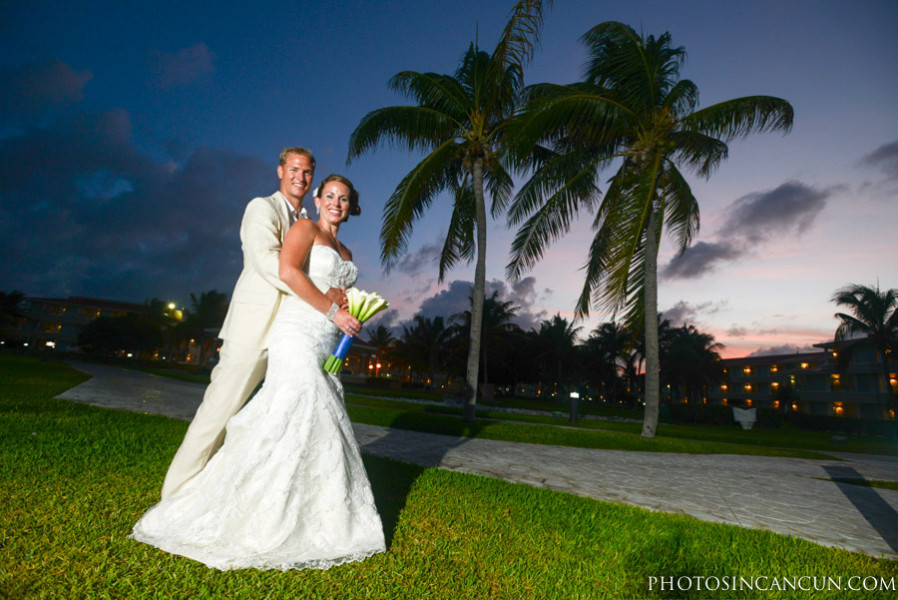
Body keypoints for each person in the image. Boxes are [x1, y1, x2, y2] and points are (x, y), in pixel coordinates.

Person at [131, 175, 385, 570]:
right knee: (299, 409)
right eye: (330, 195)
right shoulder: (305, 228)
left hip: (323, 339)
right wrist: (333, 309)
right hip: (296, 333)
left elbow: (335, 288)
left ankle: (311, 513)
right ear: (317, 199)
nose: (337, 203)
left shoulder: (347, 250)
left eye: (345, 199)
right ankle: (245, 511)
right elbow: (287, 271)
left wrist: (346, 313)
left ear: (352, 207)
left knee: (309, 422)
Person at [160, 147, 347, 499]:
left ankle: (229, 493)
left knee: (265, 423)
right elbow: (270, 263)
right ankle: (174, 496)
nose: (300, 177)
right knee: (218, 412)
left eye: (307, 172)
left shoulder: (307, 221)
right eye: (293, 169)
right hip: (255, 330)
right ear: (280, 171)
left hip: (291, 335)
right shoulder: (261, 208)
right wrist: (323, 297)